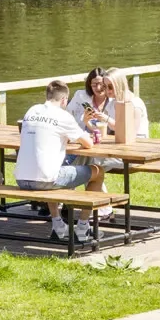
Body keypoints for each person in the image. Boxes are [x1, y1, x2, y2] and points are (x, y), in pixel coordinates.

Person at [17, 80, 107, 241]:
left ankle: (58, 225)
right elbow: (88, 143)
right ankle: (83, 227)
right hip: (45, 180)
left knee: (54, 167)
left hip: (21, 178)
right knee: (98, 172)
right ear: (64, 100)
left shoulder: (32, 111)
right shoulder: (63, 116)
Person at [106, 69, 150, 140]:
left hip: (138, 141)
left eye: (110, 87)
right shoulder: (111, 104)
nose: (107, 90)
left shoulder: (135, 103)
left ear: (120, 85)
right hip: (118, 141)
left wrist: (107, 120)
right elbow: (102, 129)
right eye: (104, 86)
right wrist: (87, 121)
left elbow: (130, 133)